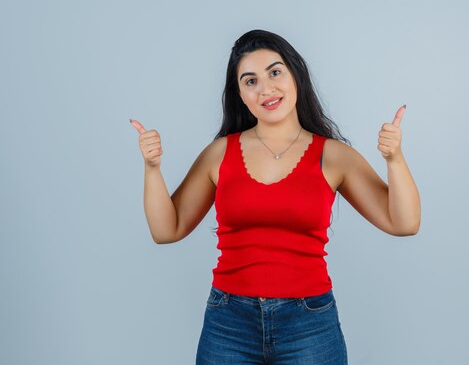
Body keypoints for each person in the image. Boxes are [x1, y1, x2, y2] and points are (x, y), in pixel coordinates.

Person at [130, 29, 421, 364]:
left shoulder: (334, 156)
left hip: (309, 323)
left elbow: (405, 223)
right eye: (250, 80)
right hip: (229, 323)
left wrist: (394, 159)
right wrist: (152, 169)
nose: (265, 88)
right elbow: (167, 230)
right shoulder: (219, 154)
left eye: (274, 72)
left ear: (295, 74)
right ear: (239, 93)